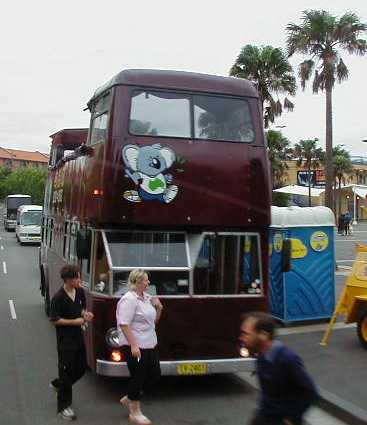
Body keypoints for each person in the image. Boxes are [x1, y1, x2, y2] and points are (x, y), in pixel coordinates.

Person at [239, 312, 318, 425]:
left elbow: (310, 392)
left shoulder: (287, 359)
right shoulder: (261, 353)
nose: (241, 338)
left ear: (263, 335)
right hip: (265, 415)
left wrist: (292, 418)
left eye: (246, 334)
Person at [116, 269, 163, 425]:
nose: (148, 282)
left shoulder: (147, 298)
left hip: (150, 342)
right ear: (136, 282)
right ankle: (135, 412)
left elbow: (153, 322)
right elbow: (124, 324)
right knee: (138, 375)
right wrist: (134, 345)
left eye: (148, 280)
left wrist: (159, 308)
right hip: (135, 344)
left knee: (155, 374)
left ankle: (130, 396)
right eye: (145, 280)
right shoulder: (129, 299)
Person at [49, 264, 94, 421]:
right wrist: (75, 321)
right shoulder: (58, 298)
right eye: (77, 278)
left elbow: (80, 309)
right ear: (68, 280)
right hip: (65, 341)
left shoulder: (80, 292)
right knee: (66, 371)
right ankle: (63, 407)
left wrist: (85, 314)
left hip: (78, 338)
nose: (79, 280)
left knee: (82, 367)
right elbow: (55, 320)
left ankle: (60, 384)